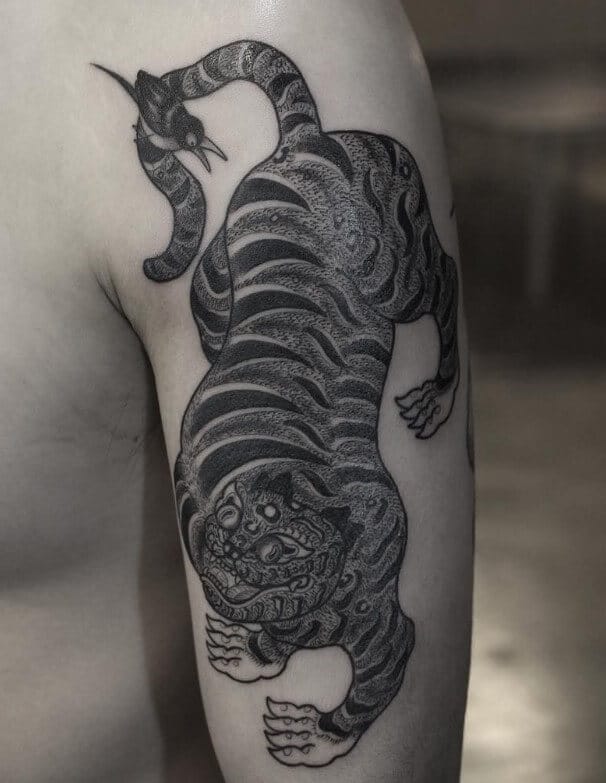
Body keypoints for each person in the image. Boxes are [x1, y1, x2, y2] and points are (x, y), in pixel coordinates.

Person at [0, 1, 474, 780]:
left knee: (402, 280)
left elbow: (386, 660)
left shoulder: (295, 21)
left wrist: (340, 714)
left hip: (327, 250)